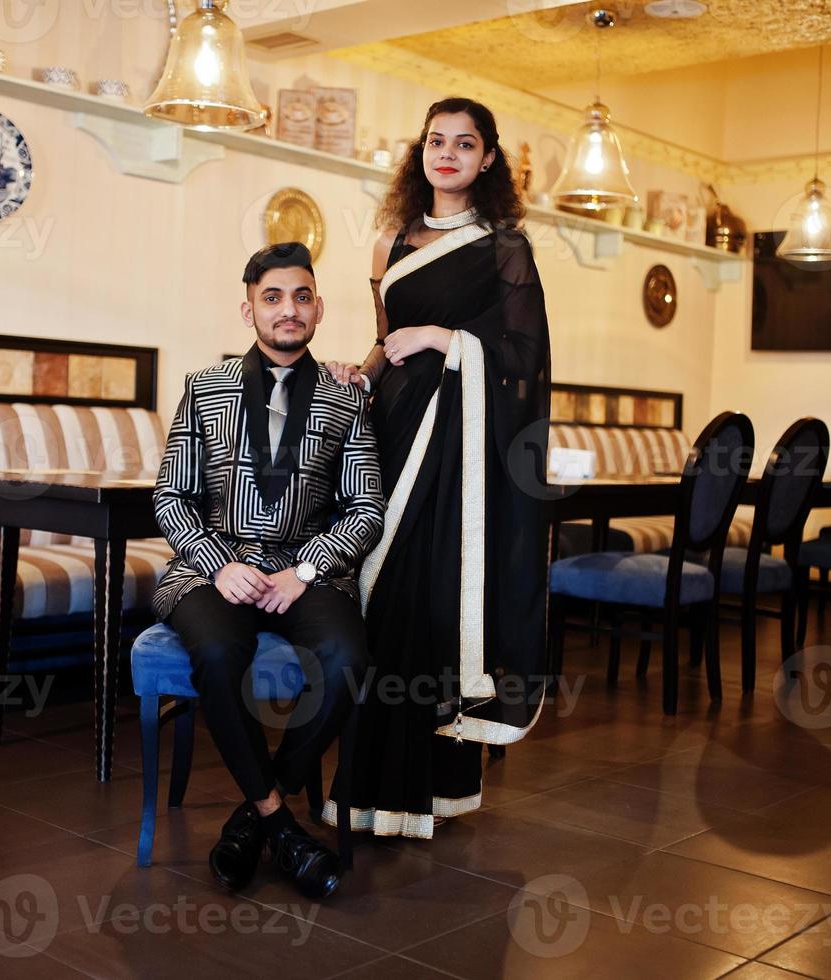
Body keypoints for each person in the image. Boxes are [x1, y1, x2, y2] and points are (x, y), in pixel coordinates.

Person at [325, 97, 552, 839]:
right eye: (435, 140)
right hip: (388, 430)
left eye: (464, 143)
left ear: (488, 159)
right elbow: (382, 340)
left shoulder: (503, 248)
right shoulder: (387, 241)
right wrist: (358, 373)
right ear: (418, 151)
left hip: (458, 450)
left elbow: (523, 362)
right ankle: (363, 789)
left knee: (419, 597)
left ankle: (426, 793)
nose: (446, 153)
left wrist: (445, 336)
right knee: (372, 591)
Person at [152, 242, 383, 898]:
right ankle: (281, 825)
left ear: (317, 308)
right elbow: (172, 496)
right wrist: (216, 564)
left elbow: (366, 507)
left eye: (301, 296)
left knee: (345, 658)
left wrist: (306, 570)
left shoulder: (345, 396)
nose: (288, 309)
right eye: (272, 297)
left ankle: (253, 818)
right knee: (219, 651)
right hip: (213, 570)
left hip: (303, 571)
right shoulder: (204, 388)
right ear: (248, 308)